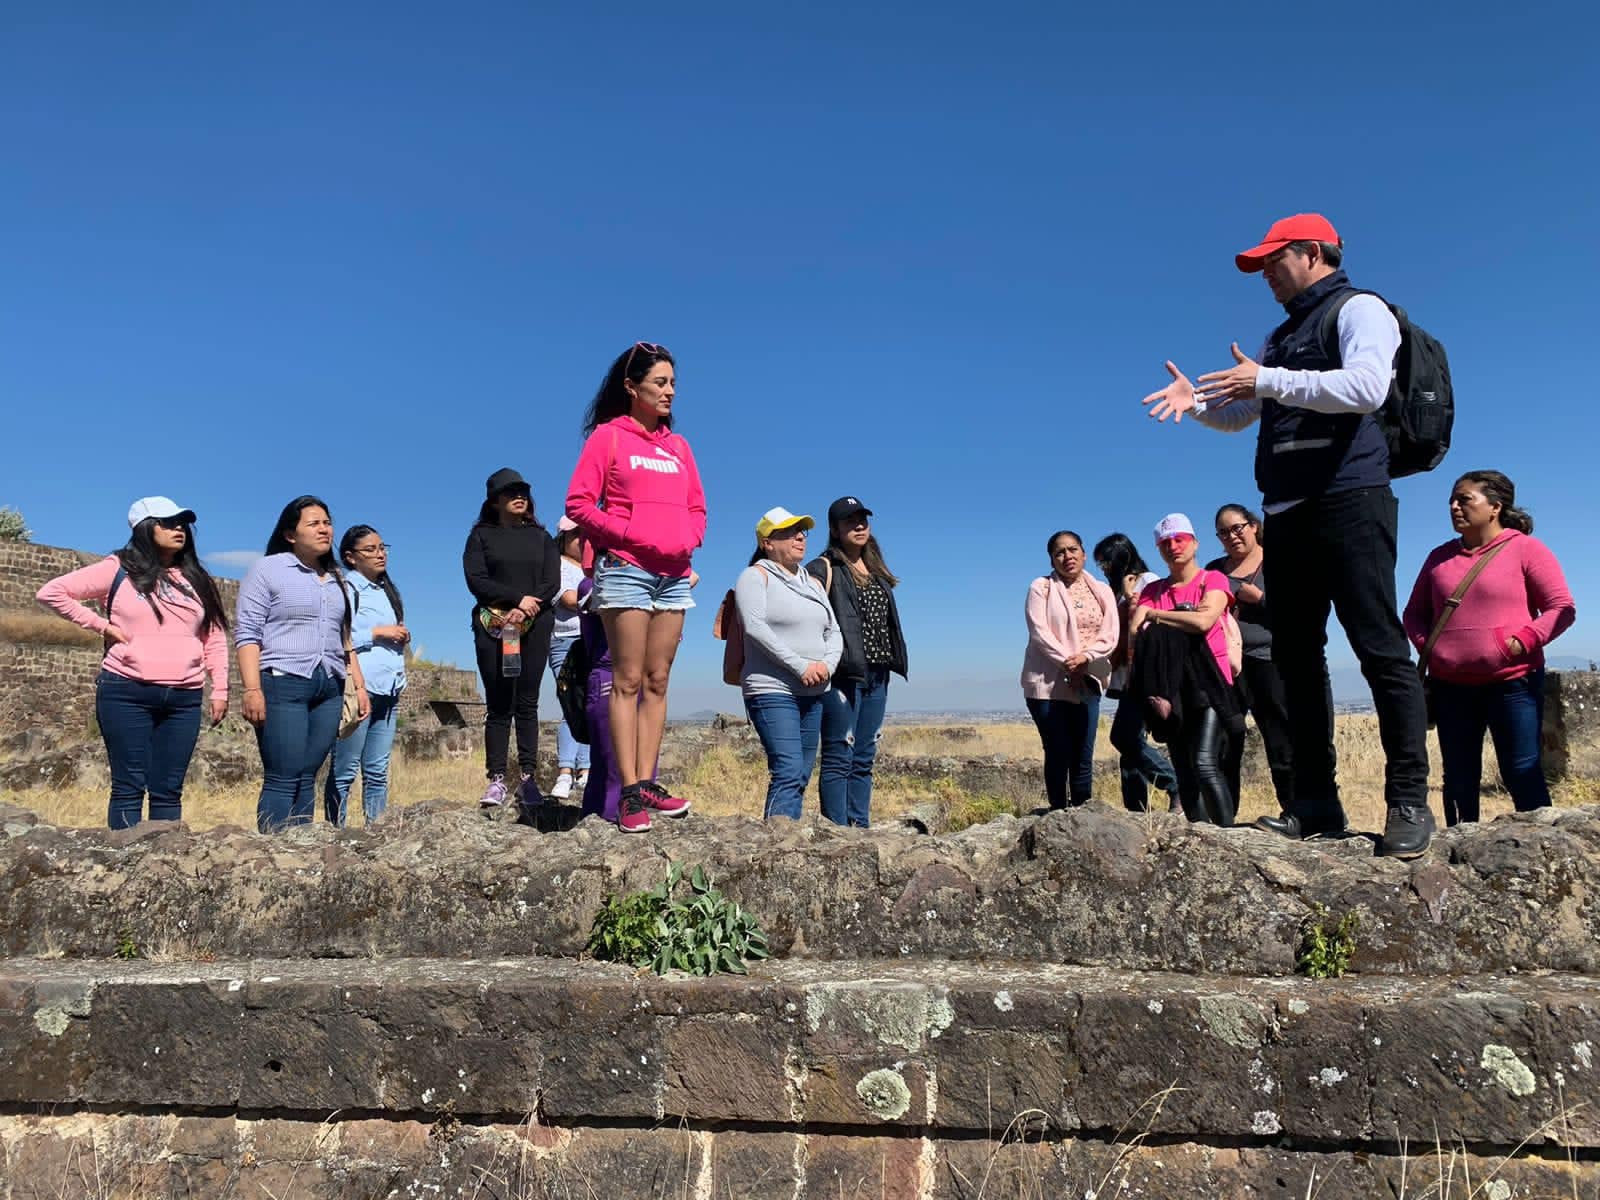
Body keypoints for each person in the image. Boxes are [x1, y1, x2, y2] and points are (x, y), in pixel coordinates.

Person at [1142, 212, 1434, 857]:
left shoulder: (1360, 310)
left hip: (1352, 501)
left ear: (1311, 252)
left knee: (1380, 649)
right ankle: (1315, 803)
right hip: (1289, 511)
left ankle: (1408, 800)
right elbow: (1248, 413)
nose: (1266, 274)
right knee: (1299, 659)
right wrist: (1197, 404)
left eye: (1274, 261)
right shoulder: (1281, 336)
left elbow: (1364, 387)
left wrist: (1265, 379)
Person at [566, 342, 702, 824]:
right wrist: (630, 534)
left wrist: (689, 540)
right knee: (626, 681)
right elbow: (579, 504)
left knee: (657, 680)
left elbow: (696, 507)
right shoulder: (608, 438)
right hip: (626, 570)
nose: (670, 392)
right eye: (660, 382)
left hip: (673, 576)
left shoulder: (678, 446)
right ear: (632, 387)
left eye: (672, 383)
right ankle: (626, 793)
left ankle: (646, 786)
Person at [36, 497, 229, 829]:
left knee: (168, 791)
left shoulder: (197, 579)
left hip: (184, 698)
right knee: (128, 788)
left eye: (182, 522)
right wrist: (103, 626)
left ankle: (161, 869)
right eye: (167, 522)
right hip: (126, 691)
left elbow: (214, 637)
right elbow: (52, 592)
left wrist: (220, 689)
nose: (178, 528)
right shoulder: (117, 568)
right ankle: (125, 869)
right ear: (145, 528)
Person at [1403, 471, 1576, 825]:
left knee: (1522, 771)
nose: (1454, 507)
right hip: (1451, 686)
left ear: (1495, 506)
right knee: (1459, 777)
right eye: (1452, 500)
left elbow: (1561, 609)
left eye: (1465, 499)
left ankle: (1540, 845)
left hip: (1513, 682)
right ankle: (1459, 853)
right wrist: (1433, 650)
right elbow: (1413, 614)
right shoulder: (1439, 558)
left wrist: (1519, 643)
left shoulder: (1526, 549)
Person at [236, 496, 369, 833]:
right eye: (314, 523)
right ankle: (273, 856)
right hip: (284, 680)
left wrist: (360, 686)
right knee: (283, 774)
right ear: (290, 534)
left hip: (329, 684)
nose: (324, 529)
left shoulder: (339, 577)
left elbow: (345, 639)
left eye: (327, 522)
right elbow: (248, 633)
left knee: (308, 774)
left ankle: (303, 855)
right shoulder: (268, 569)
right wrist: (252, 689)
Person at [1129, 514, 1241, 826]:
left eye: (1180, 539)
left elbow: (1205, 621)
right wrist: (1174, 616)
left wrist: (1156, 615)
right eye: (1165, 543)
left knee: (1205, 763)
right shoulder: (1154, 590)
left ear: (1194, 543)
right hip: (1171, 687)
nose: (1173, 547)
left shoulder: (1212, 580)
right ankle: (1200, 835)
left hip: (1209, 683)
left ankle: (1230, 838)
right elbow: (1136, 633)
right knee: (1184, 768)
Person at [805, 496, 909, 828]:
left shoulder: (877, 570)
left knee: (864, 758)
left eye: (863, 519)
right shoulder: (824, 568)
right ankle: (836, 833)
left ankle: (860, 829)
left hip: (878, 674)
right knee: (839, 757)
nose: (860, 525)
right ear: (835, 530)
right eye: (850, 521)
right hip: (841, 675)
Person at [463, 468, 560, 814]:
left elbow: (552, 581)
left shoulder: (542, 537)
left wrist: (528, 607)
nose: (519, 496)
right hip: (493, 625)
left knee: (528, 701)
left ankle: (529, 778)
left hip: (535, 623)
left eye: (523, 491)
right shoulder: (481, 536)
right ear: (494, 501)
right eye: (510, 492)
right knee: (499, 703)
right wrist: (516, 599)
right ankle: (497, 777)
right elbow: (476, 579)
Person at [737, 508, 842, 820]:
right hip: (772, 689)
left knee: (801, 773)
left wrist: (826, 666)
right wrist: (801, 667)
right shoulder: (755, 577)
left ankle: (789, 838)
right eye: (789, 531)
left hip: (814, 690)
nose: (800, 537)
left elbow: (833, 630)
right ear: (767, 542)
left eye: (802, 531)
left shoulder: (812, 583)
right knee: (787, 769)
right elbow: (754, 627)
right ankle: (775, 847)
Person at [1206, 503, 1295, 816]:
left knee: (1279, 738)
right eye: (1223, 532)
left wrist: (1261, 599)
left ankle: (1294, 811)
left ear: (1254, 526)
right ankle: (1223, 817)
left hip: (1268, 660)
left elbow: (1299, 611)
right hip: (1225, 666)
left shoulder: (1277, 561)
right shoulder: (1214, 571)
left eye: (1237, 528)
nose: (1232, 536)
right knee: (1225, 742)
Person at [1020, 530, 1119, 809]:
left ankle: (1082, 814)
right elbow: (1040, 632)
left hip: (1088, 679)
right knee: (1057, 752)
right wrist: (1068, 661)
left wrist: (1086, 658)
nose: (1068, 556)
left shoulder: (1101, 590)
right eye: (1060, 552)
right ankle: (1058, 814)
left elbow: (1111, 634)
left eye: (1073, 549)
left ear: (1083, 554)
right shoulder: (1041, 588)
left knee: (1082, 756)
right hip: (1048, 684)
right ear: (1052, 560)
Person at [323, 526, 407, 827]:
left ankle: (376, 830)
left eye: (382, 547)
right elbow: (336, 635)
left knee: (377, 769)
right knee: (345, 768)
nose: (380, 553)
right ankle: (337, 832)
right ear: (350, 557)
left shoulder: (386, 590)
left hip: (389, 688)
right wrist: (379, 632)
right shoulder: (346, 588)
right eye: (370, 549)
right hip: (360, 688)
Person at [1093, 533, 1179, 813]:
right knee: (1130, 746)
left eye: (1106, 561)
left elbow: (1151, 625)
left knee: (1123, 738)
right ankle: (1136, 810)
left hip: (1145, 673)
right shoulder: (1120, 589)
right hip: (1128, 675)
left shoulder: (1148, 581)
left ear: (1122, 557)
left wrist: (1131, 600)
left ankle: (1175, 784)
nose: (1104, 568)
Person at [547, 518, 592, 801]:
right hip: (565, 640)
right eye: (576, 535)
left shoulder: (593, 567)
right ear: (563, 538)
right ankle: (565, 771)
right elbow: (568, 599)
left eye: (586, 535)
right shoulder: (556, 566)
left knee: (592, 706)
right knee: (571, 705)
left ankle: (585, 770)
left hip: (592, 640)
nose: (582, 540)